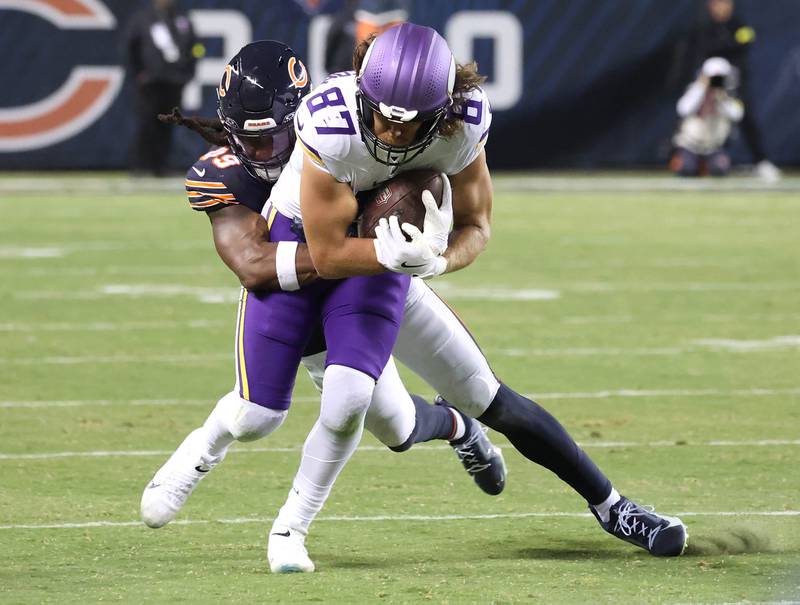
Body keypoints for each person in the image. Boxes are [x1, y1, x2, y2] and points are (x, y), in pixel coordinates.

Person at [148, 29, 687, 574]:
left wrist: (435, 261)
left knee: (465, 396)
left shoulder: (461, 126)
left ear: (442, 112)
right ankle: (449, 429)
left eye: (410, 121)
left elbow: (477, 226)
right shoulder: (330, 124)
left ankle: (614, 507)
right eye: (382, 115)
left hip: (381, 265)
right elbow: (328, 254)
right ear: (363, 93)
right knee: (363, 425)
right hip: (324, 252)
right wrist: (394, 254)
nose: (392, 131)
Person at [141, 39, 505, 540]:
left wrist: (403, 246)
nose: (261, 155)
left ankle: (459, 426)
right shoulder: (222, 173)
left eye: (272, 139)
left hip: (370, 288)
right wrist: (366, 253)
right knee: (260, 416)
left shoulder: (347, 132)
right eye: (249, 142)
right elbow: (254, 265)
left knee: (393, 427)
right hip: (308, 292)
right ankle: (200, 452)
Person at [669, 0, 781, 181]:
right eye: (717, 4)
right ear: (710, 6)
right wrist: (705, 85)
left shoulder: (739, 24)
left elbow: (746, 42)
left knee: (745, 119)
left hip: (735, 85)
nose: (721, 7)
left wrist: (722, 96)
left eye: (725, 3)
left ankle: (760, 161)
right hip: (695, 133)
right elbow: (683, 108)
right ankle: (686, 157)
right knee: (687, 166)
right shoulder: (704, 29)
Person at [124, 0, 199, 176]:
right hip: (151, 82)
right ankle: (141, 166)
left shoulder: (183, 19)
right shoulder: (143, 18)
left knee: (168, 125)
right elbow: (130, 47)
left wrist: (189, 70)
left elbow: (196, 47)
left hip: (174, 81)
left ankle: (161, 166)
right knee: (147, 123)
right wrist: (138, 72)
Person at [671, 57, 743, 177]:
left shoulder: (729, 95)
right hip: (691, 145)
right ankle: (693, 164)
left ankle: (705, 166)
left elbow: (737, 115)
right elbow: (683, 110)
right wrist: (701, 87)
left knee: (719, 170)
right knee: (686, 170)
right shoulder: (694, 89)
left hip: (713, 147)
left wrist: (722, 97)